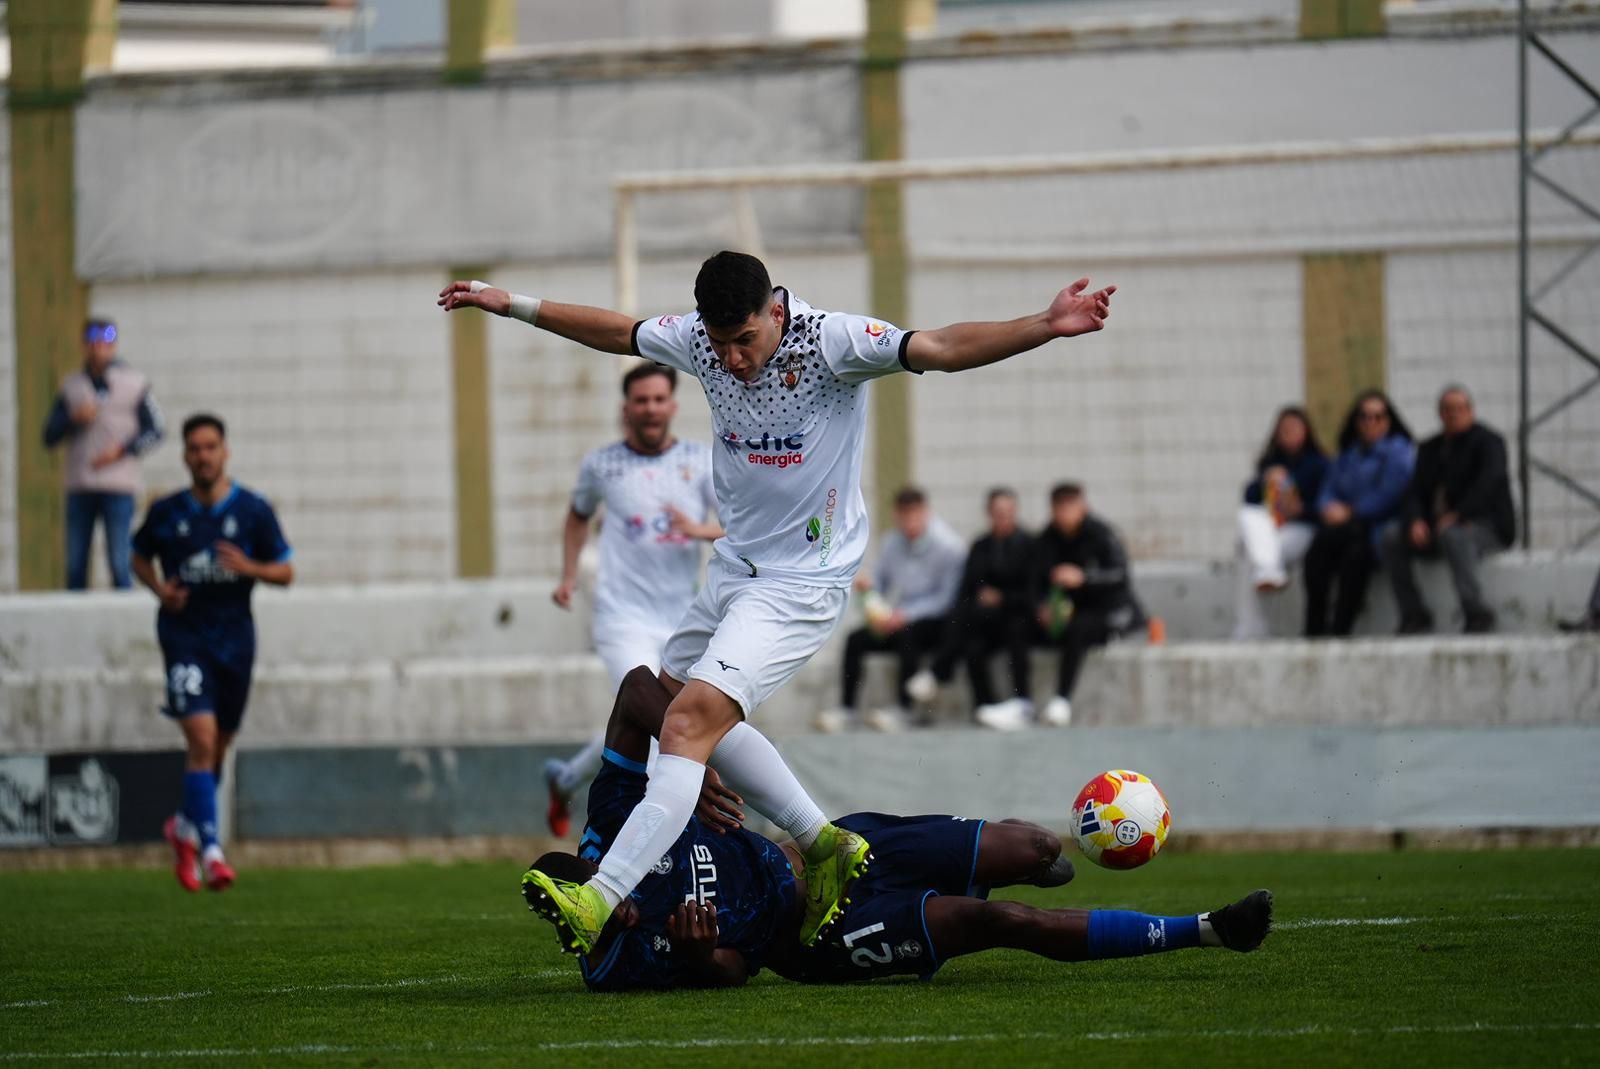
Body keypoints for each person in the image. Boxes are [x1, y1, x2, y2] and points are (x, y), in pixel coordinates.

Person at [440, 250, 1115, 953]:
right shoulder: (702, 339)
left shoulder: (832, 342)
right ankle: (823, 843)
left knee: (685, 727)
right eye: (719, 342)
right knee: (673, 701)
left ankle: (600, 896)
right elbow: (620, 332)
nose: (731, 358)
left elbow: (940, 347)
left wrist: (1045, 322)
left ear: (775, 310)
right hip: (736, 567)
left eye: (745, 340)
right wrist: (510, 302)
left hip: (801, 581)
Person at [523, 666, 1273, 991]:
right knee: (994, 918)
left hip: (835, 844)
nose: (618, 908)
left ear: (599, 865)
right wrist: (697, 957)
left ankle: (1016, 857)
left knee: (1036, 847)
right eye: (598, 920)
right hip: (814, 935)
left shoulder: (620, 822)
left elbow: (635, 689)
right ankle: (1206, 928)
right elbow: (734, 972)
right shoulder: (612, 967)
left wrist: (689, 751)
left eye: (604, 890)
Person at [543, 363, 720, 837]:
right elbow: (577, 517)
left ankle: (564, 779)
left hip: (683, 619)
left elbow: (735, 525)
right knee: (664, 724)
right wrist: (567, 577)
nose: (650, 408)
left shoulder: (700, 461)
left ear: (672, 405)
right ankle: (646, 842)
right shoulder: (603, 465)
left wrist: (697, 530)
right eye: (641, 401)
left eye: (659, 400)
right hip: (622, 618)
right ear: (627, 408)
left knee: (655, 722)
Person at [130, 414, 293, 892]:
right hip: (185, 638)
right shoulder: (168, 512)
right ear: (185, 456)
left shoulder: (253, 512)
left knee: (216, 750)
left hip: (236, 641)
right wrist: (159, 590)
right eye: (194, 448)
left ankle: (182, 830)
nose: (202, 456)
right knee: (200, 742)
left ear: (224, 453)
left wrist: (249, 567)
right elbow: (137, 555)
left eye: (210, 447)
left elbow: (287, 572)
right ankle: (214, 851)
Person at [979, 483, 1142, 731]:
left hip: (1104, 612)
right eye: (1060, 508)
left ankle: (1062, 700)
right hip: (1060, 614)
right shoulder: (1047, 540)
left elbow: (1120, 576)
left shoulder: (1102, 535)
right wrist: (1041, 607)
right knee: (1017, 626)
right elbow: (1033, 582)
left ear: (1082, 507)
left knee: (1079, 627)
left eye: (1071, 507)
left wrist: (1084, 578)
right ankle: (1022, 702)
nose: (1065, 515)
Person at [816, 486, 965, 734]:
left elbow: (946, 599)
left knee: (908, 635)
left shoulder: (948, 546)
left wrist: (906, 615)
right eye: (903, 515)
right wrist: (871, 596)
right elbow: (881, 583)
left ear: (925, 513)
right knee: (856, 640)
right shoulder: (891, 542)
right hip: (898, 617)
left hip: (935, 622)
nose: (909, 522)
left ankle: (905, 709)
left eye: (914, 514)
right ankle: (846, 709)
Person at [1379, 385, 1514, 635]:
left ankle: (1475, 611)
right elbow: (1414, 491)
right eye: (1448, 410)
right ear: (1440, 414)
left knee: (1455, 535)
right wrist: (1416, 520)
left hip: (1484, 526)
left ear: (1471, 411)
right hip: (1438, 528)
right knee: (1391, 537)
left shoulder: (1489, 443)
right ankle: (1413, 613)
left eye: (1460, 409)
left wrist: (1460, 514)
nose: (1454, 414)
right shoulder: (1430, 448)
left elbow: (1489, 483)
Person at [41, 318, 164, 589]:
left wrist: (122, 451)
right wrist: (74, 418)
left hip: (118, 485)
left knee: (120, 563)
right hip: (80, 485)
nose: (98, 348)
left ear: (114, 344)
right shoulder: (71, 386)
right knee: (75, 565)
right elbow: (49, 435)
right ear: (84, 345)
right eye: (92, 342)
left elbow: (156, 430)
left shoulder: (135, 383)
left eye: (105, 342)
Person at [1303, 391, 1414, 637]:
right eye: (1364, 417)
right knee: (1316, 556)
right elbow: (1328, 489)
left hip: (1375, 528)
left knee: (1355, 557)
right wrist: (1328, 508)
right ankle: (1314, 627)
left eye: (1377, 417)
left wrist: (1352, 511)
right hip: (1343, 527)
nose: (1370, 423)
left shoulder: (1399, 453)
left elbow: (1390, 494)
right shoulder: (1348, 455)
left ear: (1388, 421)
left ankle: (1341, 628)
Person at [1232, 407, 1329, 639]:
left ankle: (1251, 626)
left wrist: (1300, 509)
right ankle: (1267, 574)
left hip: (1302, 530)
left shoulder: (1319, 465)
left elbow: (1326, 508)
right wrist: (1266, 480)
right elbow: (1250, 500)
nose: (1290, 434)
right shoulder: (1270, 463)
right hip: (1271, 529)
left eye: (1295, 428)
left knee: (1248, 554)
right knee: (1247, 518)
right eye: (1284, 430)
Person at [941, 487, 1037, 721]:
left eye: (1008, 511)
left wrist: (1002, 598)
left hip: (1019, 616)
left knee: (1016, 631)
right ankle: (985, 705)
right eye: (998, 512)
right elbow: (968, 588)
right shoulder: (981, 546)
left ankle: (1022, 701)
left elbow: (1032, 593)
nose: (1003, 517)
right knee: (972, 642)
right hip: (987, 620)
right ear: (989, 513)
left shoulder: (1029, 545)